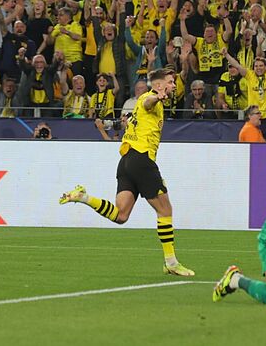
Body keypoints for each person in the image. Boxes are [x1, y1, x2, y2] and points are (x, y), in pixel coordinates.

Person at [59, 68, 194, 277]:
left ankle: (83, 197)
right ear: (159, 85)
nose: (174, 85)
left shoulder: (141, 105)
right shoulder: (150, 98)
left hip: (126, 162)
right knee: (165, 211)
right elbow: (149, 102)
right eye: (170, 82)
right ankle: (171, 262)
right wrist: (157, 97)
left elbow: (136, 117)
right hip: (141, 160)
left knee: (121, 216)